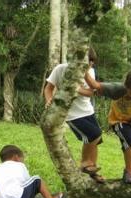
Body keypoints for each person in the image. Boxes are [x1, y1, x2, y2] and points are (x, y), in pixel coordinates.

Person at [44, 48, 105, 183]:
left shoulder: (90, 72)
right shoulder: (60, 69)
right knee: (94, 135)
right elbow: (48, 88)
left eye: (92, 64)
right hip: (71, 113)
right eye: (88, 64)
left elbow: (90, 92)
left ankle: (91, 171)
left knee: (95, 140)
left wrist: (76, 89)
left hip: (88, 110)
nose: (91, 66)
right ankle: (84, 164)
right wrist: (48, 100)